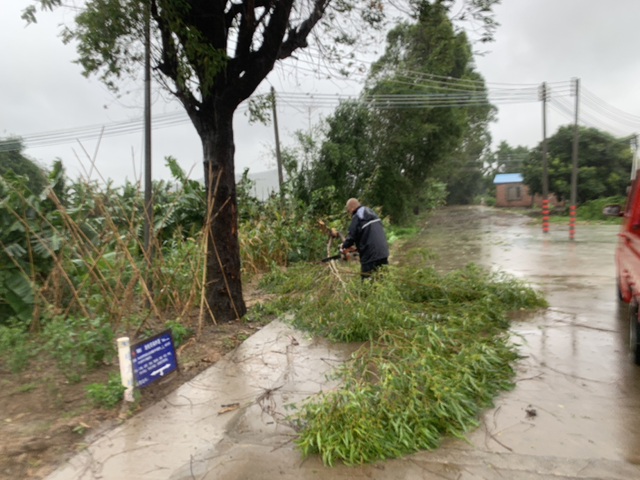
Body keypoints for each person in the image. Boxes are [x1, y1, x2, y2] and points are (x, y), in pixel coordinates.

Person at [340, 198, 389, 279]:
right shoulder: (373, 214)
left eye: (349, 210)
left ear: (352, 208)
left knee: (366, 281)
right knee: (382, 280)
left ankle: (368, 292)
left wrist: (344, 245)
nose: (350, 213)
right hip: (383, 252)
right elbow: (369, 234)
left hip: (370, 256)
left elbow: (351, 237)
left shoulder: (357, 217)